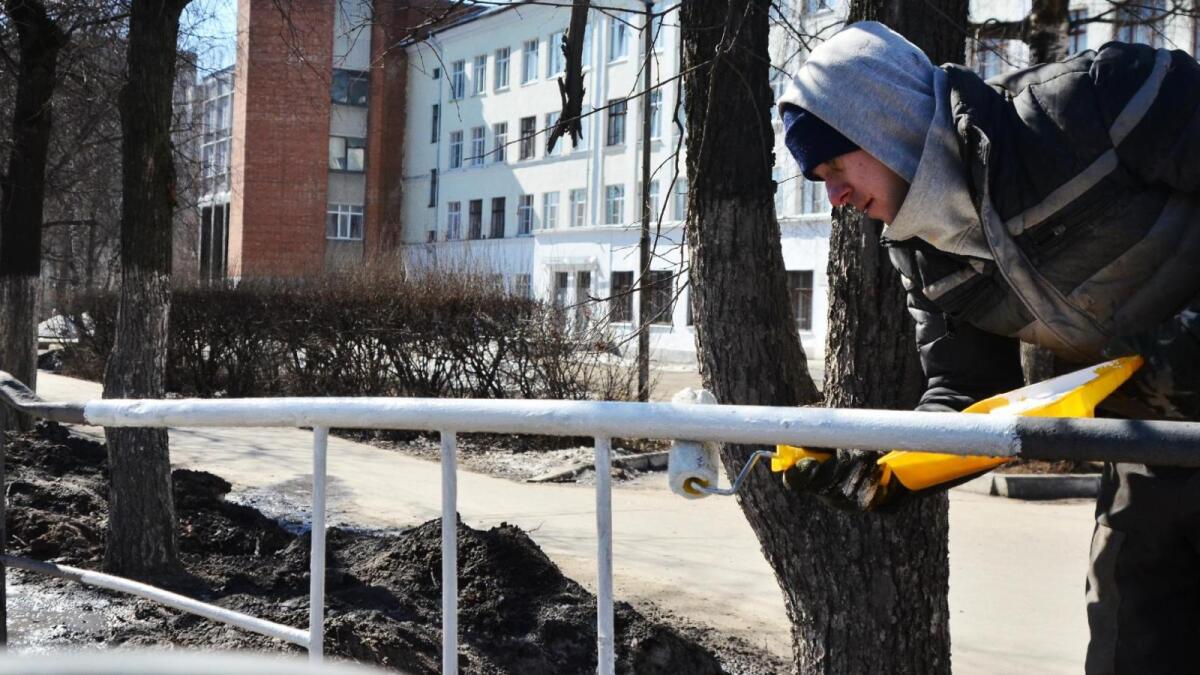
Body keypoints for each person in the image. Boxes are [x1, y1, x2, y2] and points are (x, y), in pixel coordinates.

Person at [775, 21, 1200, 675]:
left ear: (887, 123)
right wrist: (882, 470)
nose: (833, 195)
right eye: (817, 177)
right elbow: (968, 399)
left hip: (1173, 403)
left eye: (835, 164)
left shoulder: (1092, 102)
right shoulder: (925, 259)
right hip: (1155, 440)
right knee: (1129, 642)